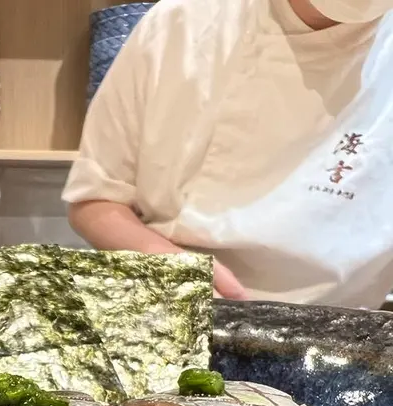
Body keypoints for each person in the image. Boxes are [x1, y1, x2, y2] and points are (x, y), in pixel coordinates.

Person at [64, 0, 393, 307]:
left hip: (339, 330)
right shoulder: (182, 24)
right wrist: (172, 266)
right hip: (175, 306)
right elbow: (96, 200)